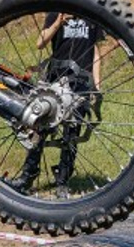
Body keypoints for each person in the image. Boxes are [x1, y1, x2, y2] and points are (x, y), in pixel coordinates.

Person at [32, 11, 103, 197]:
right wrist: (58, 23)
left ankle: (62, 181)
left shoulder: (91, 15)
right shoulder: (55, 12)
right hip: (56, 80)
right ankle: (27, 175)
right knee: (41, 128)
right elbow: (40, 43)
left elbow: (95, 51)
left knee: (72, 134)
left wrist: (97, 83)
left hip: (81, 82)